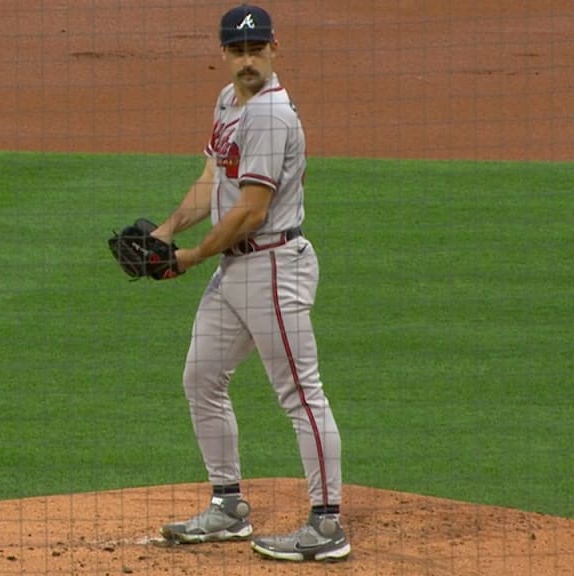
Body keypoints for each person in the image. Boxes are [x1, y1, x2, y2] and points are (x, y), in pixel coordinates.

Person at [149, 4, 351, 563]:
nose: (246, 61)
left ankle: (327, 523)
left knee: (300, 395)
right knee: (202, 377)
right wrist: (165, 233)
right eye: (236, 52)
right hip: (236, 270)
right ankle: (229, 506)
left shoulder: (269, 115)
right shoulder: (227, 101)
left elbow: (250, 212)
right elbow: (211, 181)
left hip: (272, 268)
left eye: (255, 50)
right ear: (223, 54)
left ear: (274, 50)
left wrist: (187, 258)